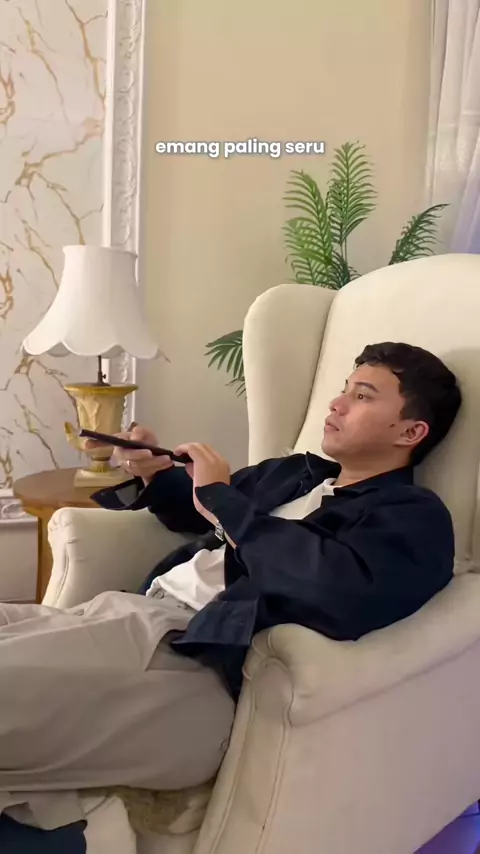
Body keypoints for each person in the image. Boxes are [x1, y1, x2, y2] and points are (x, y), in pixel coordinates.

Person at [0, 342, 462, 819]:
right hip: (126, 613)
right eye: (344, 389)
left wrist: (224, 499)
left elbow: (334, 588)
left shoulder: (411, 516)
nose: (336, 403)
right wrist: (156, 472)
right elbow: (196, 509)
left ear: (411, 431)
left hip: (192, 650)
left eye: (362, 396)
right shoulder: (296, 474)